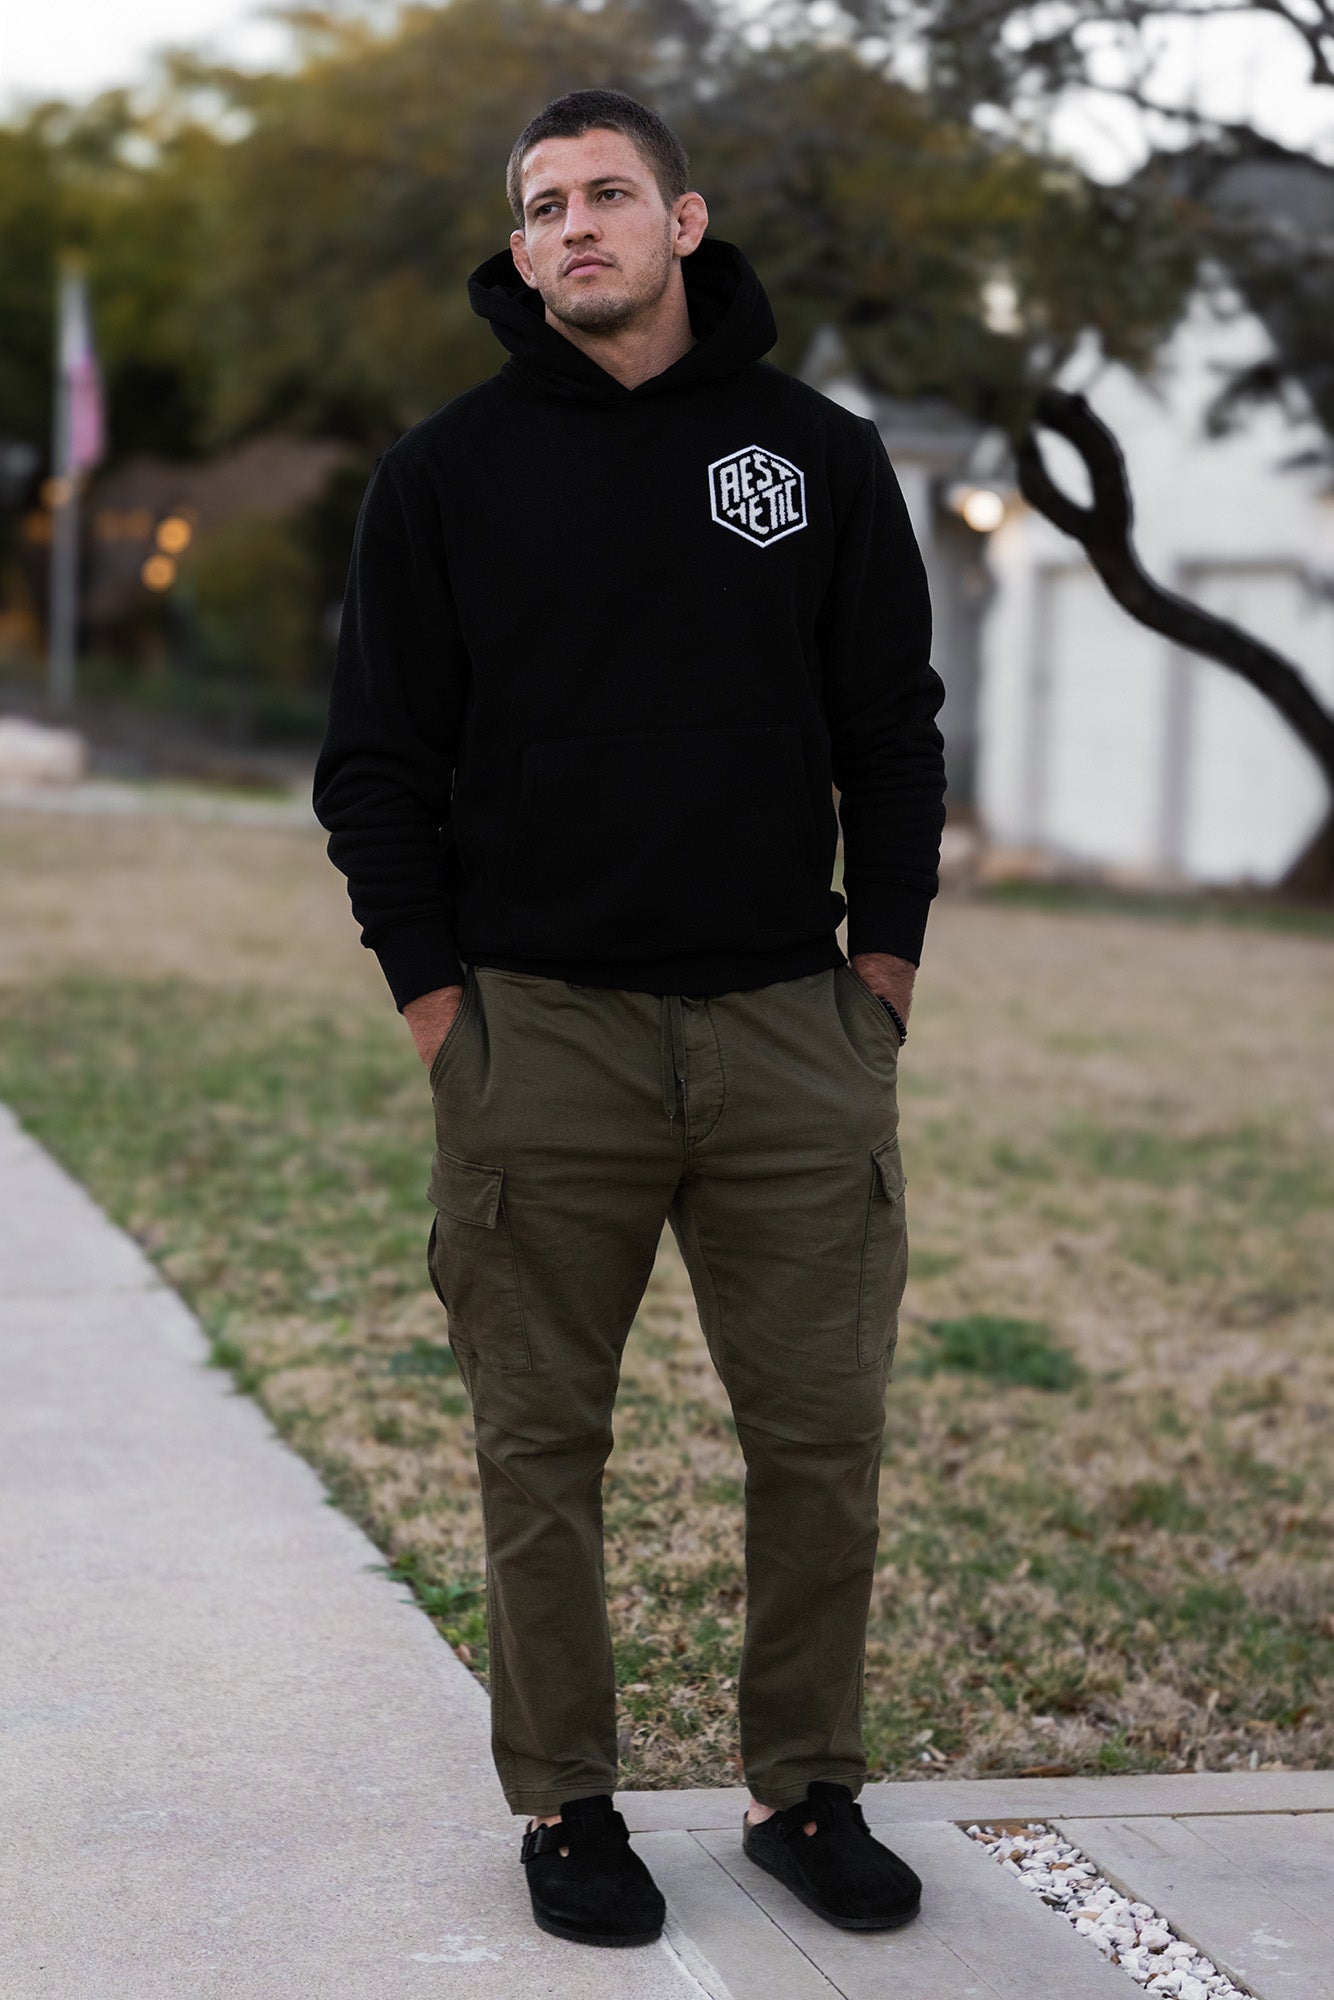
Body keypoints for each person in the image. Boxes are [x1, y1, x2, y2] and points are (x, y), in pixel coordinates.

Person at [314, 86, 946, 1950]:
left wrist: (883, 976)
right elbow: (376, 769)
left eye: (605, 194)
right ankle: (568, 1804)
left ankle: (802, 1788)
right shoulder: (444, 476)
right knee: (541, 1449)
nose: (571, 226)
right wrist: (444, 1013)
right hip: (543, 1035)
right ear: (517, 250)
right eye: (539, 206)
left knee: (820, 1440)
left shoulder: (816, 456)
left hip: (788, 1029)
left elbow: (891, 731)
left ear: (682, 220)